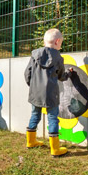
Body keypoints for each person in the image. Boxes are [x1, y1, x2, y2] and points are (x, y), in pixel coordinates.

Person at [24, 28, 72, 157]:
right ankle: (55, 149)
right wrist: (68, 74)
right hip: (51, 94)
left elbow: (27, 73)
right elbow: (61, 76)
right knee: (52, 119)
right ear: (57, 41)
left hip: (35, 93)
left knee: (35, 115)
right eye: (61, 42)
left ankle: (31, 141)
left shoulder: (34, 55)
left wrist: (33, 86)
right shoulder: (58, 58)